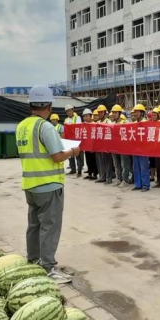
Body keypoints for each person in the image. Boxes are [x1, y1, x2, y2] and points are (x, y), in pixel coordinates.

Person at [16, 85, 77, 284]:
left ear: (30, 105)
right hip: (49, 185)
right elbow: (57, 156)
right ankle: (48, 268)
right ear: (49, 106)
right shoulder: (45, 127)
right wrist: (73, 152)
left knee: (34, 225)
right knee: (50, 227)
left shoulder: (22, 126)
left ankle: (34, 260)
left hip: (30, 184)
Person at [109, 104, 131, 186]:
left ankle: (125, 180)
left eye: (116, 112)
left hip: (123, 147)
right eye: (113, 112)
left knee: (124, 164)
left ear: (119, 113)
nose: (114, 114)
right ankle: (119, 179)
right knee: (116, 164)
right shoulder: (112, 123)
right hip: (114, 147)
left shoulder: (125, 122)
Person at [130, 104, 150, 192]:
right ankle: (138, 184)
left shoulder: (146, 122)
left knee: (144, 166)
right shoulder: (134, 123)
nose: (136, 114)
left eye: (137, 112)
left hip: (143, 148)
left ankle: (145, 185)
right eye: (135, 112)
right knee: (136, 167)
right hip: (135, 148)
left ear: (142, 113)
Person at [93, 105, 115, 184]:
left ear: (105, 113)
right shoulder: (98, 122)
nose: (99, 114)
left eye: (101, 112)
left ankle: (108, 178)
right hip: (99, 146)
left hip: (106, 145)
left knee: (107, 162)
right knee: (100, 162)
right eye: (99, 112)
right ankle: (102, 176)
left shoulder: (108, 121)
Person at [64, 105, 83, 177]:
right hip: (69, 140)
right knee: (70, 155)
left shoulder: (78, 118)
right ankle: (73, 169)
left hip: (76, 139)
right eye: (67, 111)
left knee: (78, 155)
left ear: (72, 110)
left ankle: (79, 171)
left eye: (70, 111)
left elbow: (78, 126)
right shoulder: (66, 120)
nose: (69, 112)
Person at [82, 109, 98, 180]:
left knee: (93, 160)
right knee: (88, 160)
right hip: (86, 145)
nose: (85, 118)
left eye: (87, 116)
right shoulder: (83, 125)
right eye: (84, 116)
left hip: (93, 145)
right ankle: (89, 173)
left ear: (91, 116)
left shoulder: (94, 124)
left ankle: (95, 174)